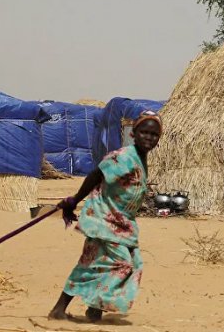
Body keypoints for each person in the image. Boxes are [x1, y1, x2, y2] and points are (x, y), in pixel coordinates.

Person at [48, 110, 163, 323]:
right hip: (104, 218)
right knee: (122, 264)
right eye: (144, 132)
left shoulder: (140, 159)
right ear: (133, 134)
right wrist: (74, 200)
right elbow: (96, 175)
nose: (149, 137)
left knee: (97, 262)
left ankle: (82, 309)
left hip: (122, 221)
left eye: (154, 134)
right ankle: (85, 307)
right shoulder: (124, 156)